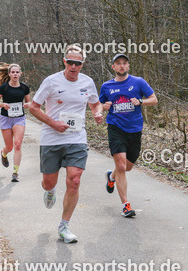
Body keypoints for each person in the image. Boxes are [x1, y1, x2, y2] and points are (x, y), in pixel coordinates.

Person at [27, 45, 105, 243]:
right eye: (70, 62)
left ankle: (64, 226)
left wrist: (97, 113)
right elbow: (33, 108)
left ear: (82, 64)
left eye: (77, 63)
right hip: (51, 139)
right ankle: (50, 191)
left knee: (75, 180)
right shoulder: (51, 81)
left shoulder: (87, 82)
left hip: (76, 137)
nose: (73, 66)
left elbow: (95, 103)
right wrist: (53, 123)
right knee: (49, 182)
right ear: (64, 62)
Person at [99, 53, 157, 217]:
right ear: (113, 67)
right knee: (122, 166)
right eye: (118, 63)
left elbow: (154, 99)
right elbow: (99, 105)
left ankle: (111, 176)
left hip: (134, 129)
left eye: (125, 63)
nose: (122, 66)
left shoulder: (138, 82)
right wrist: (105, 106)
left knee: (128, 166)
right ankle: (126, 205)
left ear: (128, 66)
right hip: (116, 128)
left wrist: (141, 102)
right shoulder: (107, 86)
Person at [0, 63, 30, 183]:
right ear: (9, 74)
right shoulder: (4, 87)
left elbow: (29, 103)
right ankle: (4, 154)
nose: (15, 74)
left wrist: (26, 105)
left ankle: (15, 172)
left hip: (19, 118)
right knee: (9, 147)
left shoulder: (24, 88)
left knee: (17, 144)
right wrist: (3, 104)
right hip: (6, 118)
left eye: (17, 72)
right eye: (13, 72)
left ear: (20, 74)